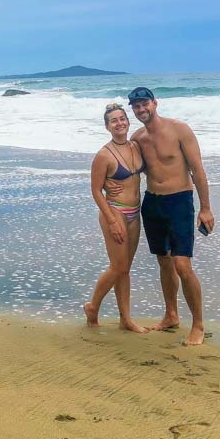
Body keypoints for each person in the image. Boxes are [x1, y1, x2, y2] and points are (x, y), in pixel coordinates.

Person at [118, 86, 214, 345]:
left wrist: (205, 208)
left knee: (183, 265)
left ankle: (198, 325)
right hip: (153, 204)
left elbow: (198, 170)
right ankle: (171, 315)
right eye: (136, 106)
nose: (141, 109)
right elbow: (124, 168)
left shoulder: (179, 130)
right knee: (164, 262)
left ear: (155, 103)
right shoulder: (138, 139)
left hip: (180, 202)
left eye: (144, 103)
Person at [84, 103, 149, 333]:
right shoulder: (104, 155)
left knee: (125, 269)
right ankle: (93, 306)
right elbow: (95, 190)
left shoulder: (135, 147)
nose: (119, 123)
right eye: (114, 120)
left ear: (128, 121)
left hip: (135, 211)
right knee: (118, 266)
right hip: (115, 211)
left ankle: (126, 319)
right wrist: (111, 220)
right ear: (107, 127)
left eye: (122, 118)